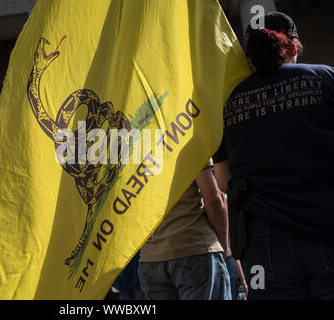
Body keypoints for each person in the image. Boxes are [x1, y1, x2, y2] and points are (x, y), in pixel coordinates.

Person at [213, 12, 334, 299]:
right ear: (293, 48)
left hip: (263, 244)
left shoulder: (229, 103)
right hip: (325, 228)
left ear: (249, 58)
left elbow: (222, 180)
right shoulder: (325, 78)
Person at [137, 160, 233, 300]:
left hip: (151, 257)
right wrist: (223, 248)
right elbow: (214, 200)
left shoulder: (130, 151)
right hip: (195, 247)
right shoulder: (186, 139)